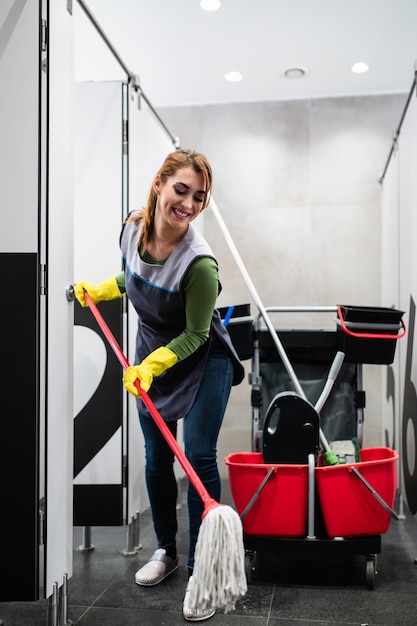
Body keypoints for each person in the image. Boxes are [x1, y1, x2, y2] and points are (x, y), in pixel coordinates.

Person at [74, 148, 244, 622]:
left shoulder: (200, 265)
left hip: (202, 357)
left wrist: (151, 366)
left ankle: (201, 568)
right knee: (156, 457)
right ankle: (167, 552)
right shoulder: (132, 229)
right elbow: (133, 278)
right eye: (181, 190)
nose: (188, 204)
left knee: (199, 456)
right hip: (152, 352)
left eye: (199, 197)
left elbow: (196, 333)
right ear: (159, 185)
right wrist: (101, 288)